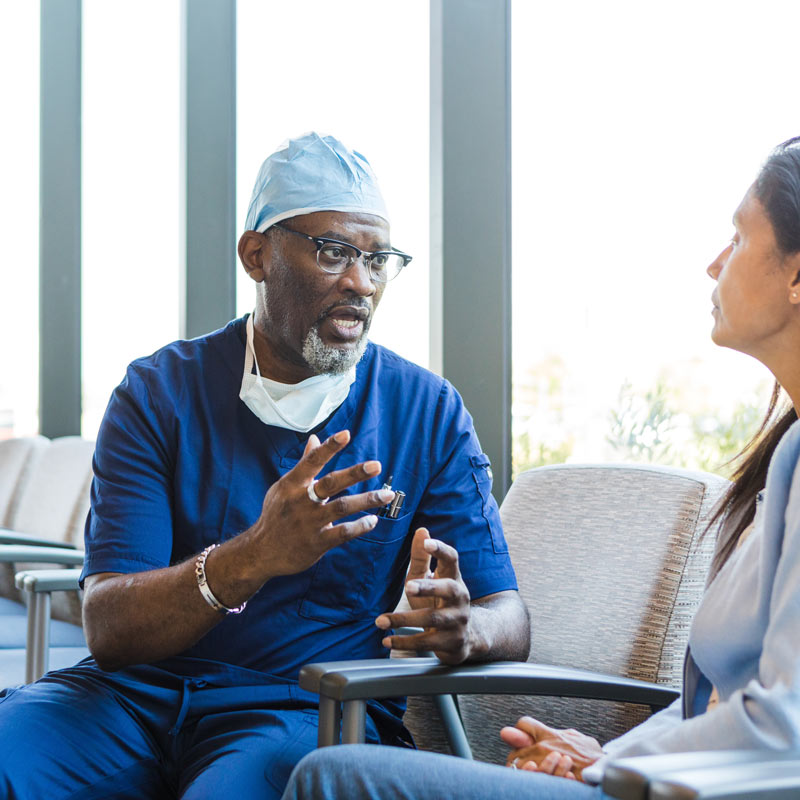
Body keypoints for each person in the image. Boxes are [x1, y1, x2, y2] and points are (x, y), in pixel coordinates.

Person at [0, 132, 529, 798]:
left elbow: (508, 613)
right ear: (257, 255)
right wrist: (252, 555)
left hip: (300, 710)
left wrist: (465, 629)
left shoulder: (426, 411)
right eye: (334, 251)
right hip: (130, 698)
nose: (361, 283)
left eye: (378, 259)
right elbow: (109, 627)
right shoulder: (159, 391)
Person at [281, 136, 800, 800]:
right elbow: (727, 708)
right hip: (672, 775)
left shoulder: (426, 409)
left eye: (738, 236)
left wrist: (612, 768)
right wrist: (611, 750)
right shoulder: (788, 458)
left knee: (334, 776)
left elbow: (784, 730)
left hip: (701, 790)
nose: (713, 264)